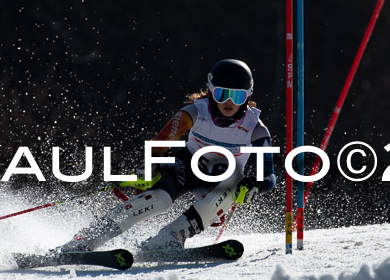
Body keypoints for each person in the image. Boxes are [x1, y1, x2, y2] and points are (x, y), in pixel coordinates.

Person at [56, 59, 276, 255]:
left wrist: (255, 186)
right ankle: (87, 238)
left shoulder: (255, 128)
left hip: (223, 179)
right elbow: (160, 142)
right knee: (159, 199)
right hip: (188, 166)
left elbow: (269, 178)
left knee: (234, 183)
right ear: (210, 91)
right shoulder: (195, 112)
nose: (229, 102)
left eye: (237, 96)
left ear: (247, 96)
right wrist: (149, 166)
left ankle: (172, 236)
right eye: (221, 93)